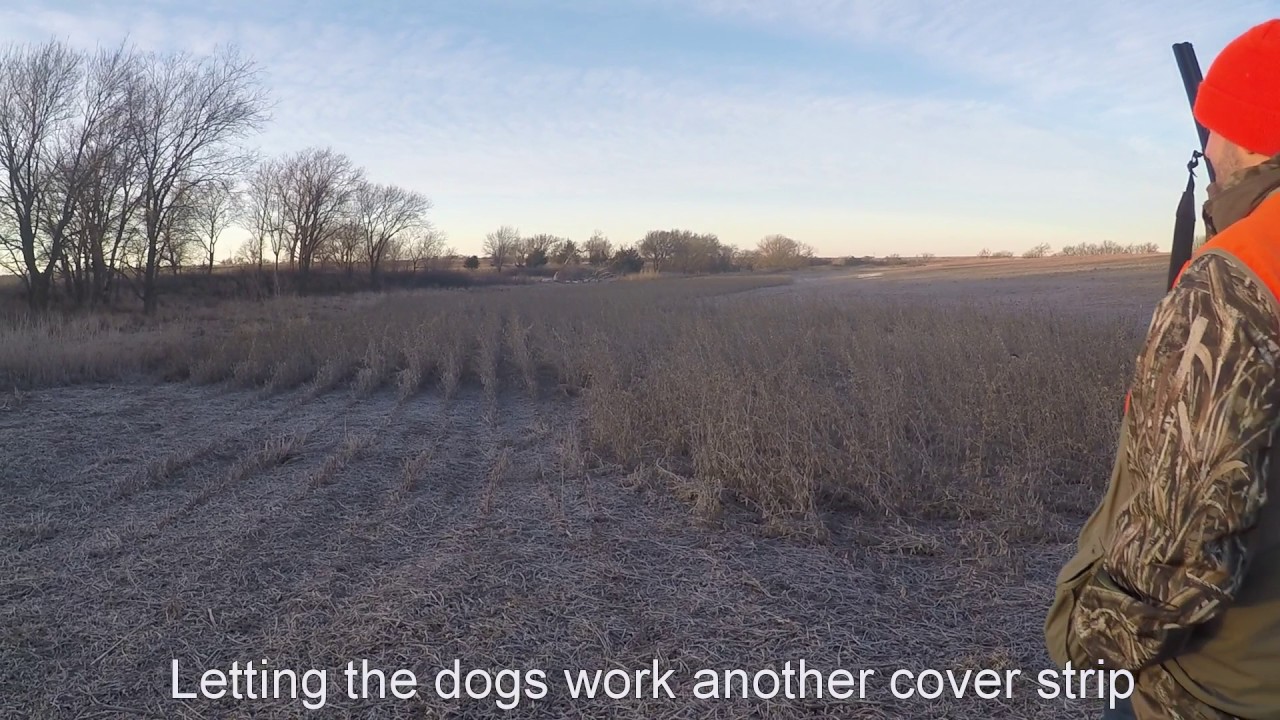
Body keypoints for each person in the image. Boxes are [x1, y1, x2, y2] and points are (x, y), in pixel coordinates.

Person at [1044, 18, 1280, 720]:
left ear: (1244, 137)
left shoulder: (1242, 275)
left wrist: (1082, 638)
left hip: (1221, 688)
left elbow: (1185, 552)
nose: (1207, 145)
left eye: (1213, 127)